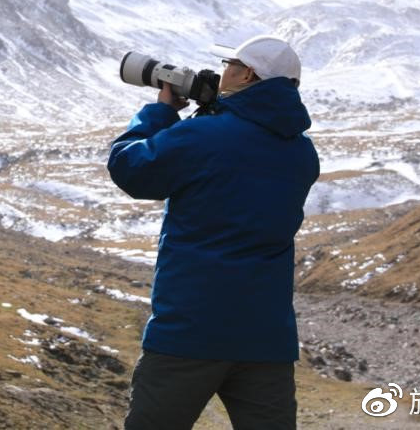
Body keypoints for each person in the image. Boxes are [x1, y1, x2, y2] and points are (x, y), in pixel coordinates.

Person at [108, 35, 320, 430]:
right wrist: (216, 113)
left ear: (247, 74)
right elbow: (243, 163)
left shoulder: (204, 137)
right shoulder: (302, 153)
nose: (222, 71)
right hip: (267, 338)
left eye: (229, 63)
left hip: (190, 332)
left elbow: (130, 169)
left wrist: (161, 114)